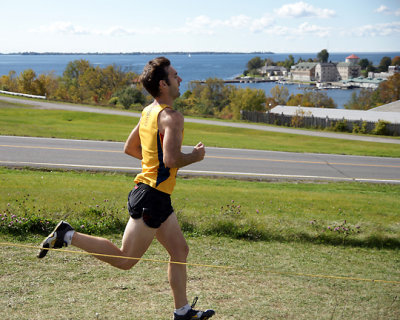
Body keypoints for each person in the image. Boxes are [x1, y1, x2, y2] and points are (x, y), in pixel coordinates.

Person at [37, 57, 215, 320]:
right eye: (176, 75)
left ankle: (183, 312)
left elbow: (130, 148)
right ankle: (68, 235)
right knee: (125, 260)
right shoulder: (172, 117)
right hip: (151, 198)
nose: (180, 79)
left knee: (180, 251)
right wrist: (194, 157)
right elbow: (172, 160)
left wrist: (155, 165)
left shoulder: (148, 112)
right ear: (164, 84)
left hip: (155, 195)